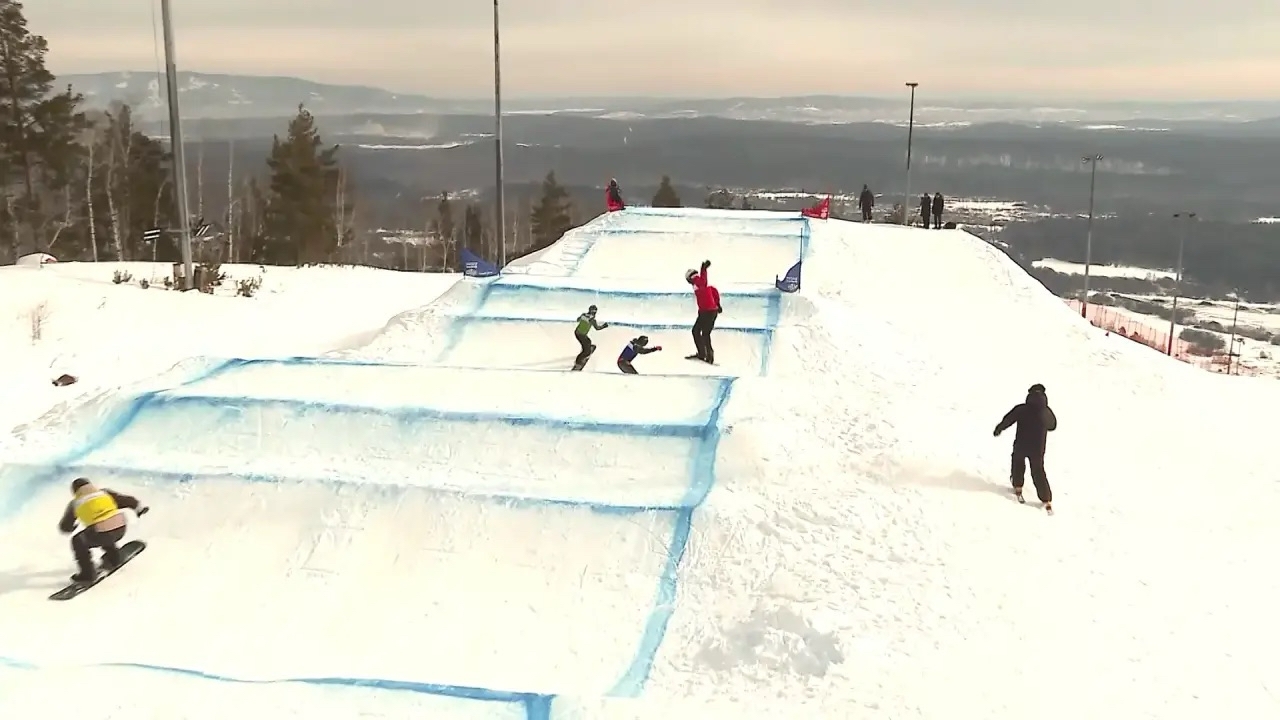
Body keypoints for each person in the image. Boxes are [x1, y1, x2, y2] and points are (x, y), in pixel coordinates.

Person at [59, 477, 148, 583]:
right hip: (121, 527)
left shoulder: (75, 503)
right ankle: (114, 557)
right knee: (98, 529)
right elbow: (128, 501)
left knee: (78, 539)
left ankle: (87, 574)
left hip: (102, 532)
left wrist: (71, 528)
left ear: (75, 491)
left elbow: (65, 527)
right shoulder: (104, 493)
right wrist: (139, 509)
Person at [993, 383, 1058, 511]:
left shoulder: (1022, 409)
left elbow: (1008, 419)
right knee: (1038, 471)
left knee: (1017, 462)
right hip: (1038, 448)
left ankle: (1018, 485)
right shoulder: (1046, 412)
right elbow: (1053, 426)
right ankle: (1046, 497)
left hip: (1021, 444)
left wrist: (999, 429)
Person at [685, 260, 722, 363]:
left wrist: (703, 268)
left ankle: (707, 355)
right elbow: (714, 291)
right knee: (699, 332)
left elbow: (703, 282)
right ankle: (704, 354)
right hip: (708, 312)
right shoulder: (706, 287)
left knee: (702, 333)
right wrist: (718, 304)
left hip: (707, 312)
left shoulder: (698, 282)